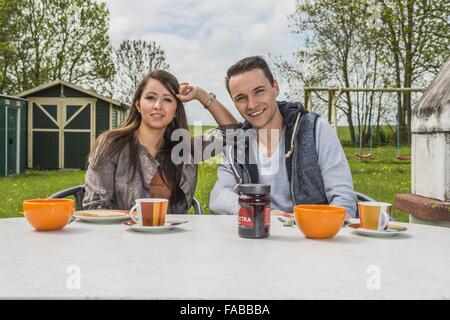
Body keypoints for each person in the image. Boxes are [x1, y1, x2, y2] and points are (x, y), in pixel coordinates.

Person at [209, 56, 357, 218]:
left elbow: (343, 198)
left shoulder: (314, 129)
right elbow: (219, 197)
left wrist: (319, 229)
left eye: (259, 91)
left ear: (275, 88)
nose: (251, 104)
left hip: (313, 236)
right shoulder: (236, 144)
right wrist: (260, 212)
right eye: (241, 98)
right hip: (259, 235)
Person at [82, 69, 238, 214]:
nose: (158, 106)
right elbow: (95, 209)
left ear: (176, 110)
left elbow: (233, 133)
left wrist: (200, 94)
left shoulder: (186, 149)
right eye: (150, 98)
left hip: (173, 240)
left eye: (167, 100)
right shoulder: (112, 145)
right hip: (121, 239)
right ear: (138, 104)